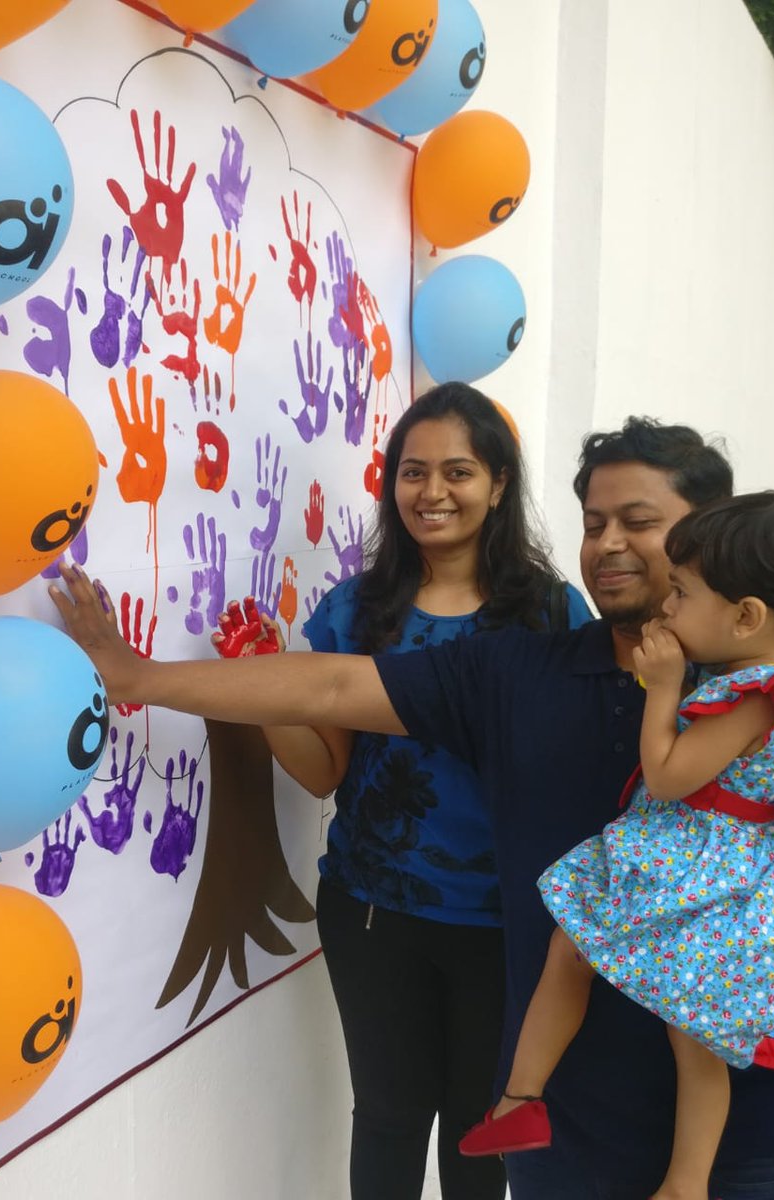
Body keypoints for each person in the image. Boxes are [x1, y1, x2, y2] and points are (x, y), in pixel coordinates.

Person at [49, 417, 774, 1199]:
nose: (607, 544)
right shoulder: (517, 672)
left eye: (639, 522)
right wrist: (140, 678)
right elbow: (336, 683)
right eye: (593, 521)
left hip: (746, 1153)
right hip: (566, 1141)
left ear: (711, 536)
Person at [455, 491, 774, 1200]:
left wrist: (662, 689)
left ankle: (647, 1161)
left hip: (710, 878)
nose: (664, 608)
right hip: (727, 871)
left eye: (681, 595)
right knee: (614, 981)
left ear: (746, 616)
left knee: (669, 1023)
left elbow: (667, 777)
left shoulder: (759, 696)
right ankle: (526, 1106)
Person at [205, 383, 590, 1200]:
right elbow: (324, 771)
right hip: (373, 910)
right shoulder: (356, 608)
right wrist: (262, 687)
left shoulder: (553, 614)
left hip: (505, 920)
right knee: (386, 1116)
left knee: (477, 1129)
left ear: (498, 484)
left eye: (459, 471)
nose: (434, 492)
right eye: (413, 472)